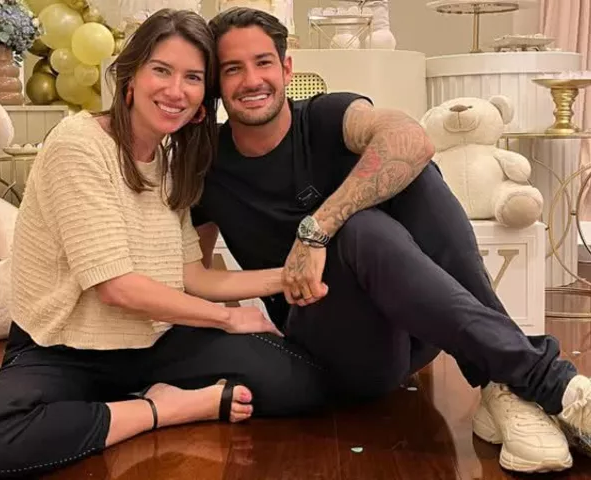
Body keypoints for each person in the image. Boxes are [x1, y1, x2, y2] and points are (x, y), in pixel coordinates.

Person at [192, 6, 591, 474]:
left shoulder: (324, 116)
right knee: (363, 230)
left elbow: (411, 139)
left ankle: (504, 383)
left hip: (412, 332)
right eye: (232, 69)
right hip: (335, 349)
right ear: (217, 83)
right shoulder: (209, 165)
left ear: (286, 69)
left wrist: (315, 230)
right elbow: (196, 271)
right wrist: (253, 302)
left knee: (414, 174)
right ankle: (545, 381)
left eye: (262, 62)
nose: (251, 80)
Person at [0, 9, 329, 479]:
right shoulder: (78, 144)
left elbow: (193, 276)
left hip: (153, 341)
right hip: (65, 349)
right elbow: (116, 287)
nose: (176, 90)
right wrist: (229, 318)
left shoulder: (171, 161)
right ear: (131, 76)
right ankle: (164, 408)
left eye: (192, 78)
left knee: (304, 383)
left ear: (203, 96)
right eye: (162, 70)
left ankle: (120, 406)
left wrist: (291, 274)